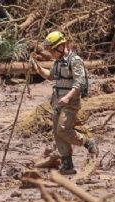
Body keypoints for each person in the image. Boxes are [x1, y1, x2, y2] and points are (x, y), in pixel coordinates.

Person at [31, 31, 98, 175]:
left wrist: (68, 97)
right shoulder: (58, 62)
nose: (50, 53)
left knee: (63, 128)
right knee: (57, 132)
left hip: (70, 101)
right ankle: (67, 165)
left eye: (51, 49)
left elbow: (79, 82)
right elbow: (50, 76)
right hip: (57, 101)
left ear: (61, 46)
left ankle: (87, 142)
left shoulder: (75, 60)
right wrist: (38, 68)